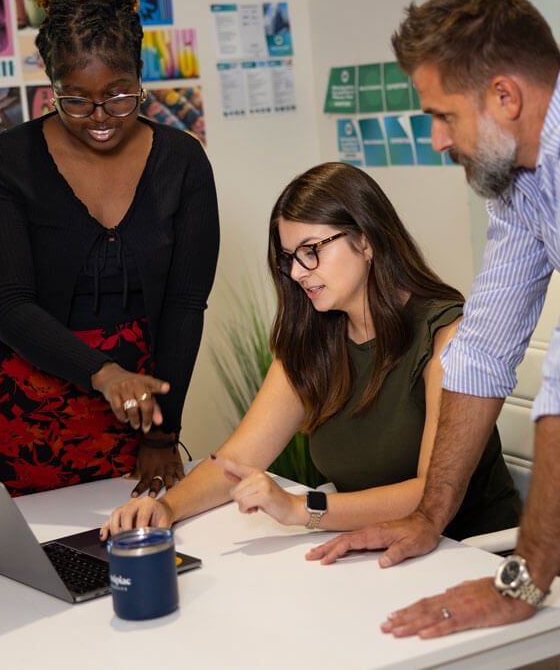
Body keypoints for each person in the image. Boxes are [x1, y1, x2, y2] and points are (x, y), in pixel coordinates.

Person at [307, 0, 560, 638]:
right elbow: (481, 350)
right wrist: (429, 515)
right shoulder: (522, 182)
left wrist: (525, 580)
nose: (438, 140)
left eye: (444, 116)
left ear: (505, 96)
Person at [102, 161, 519, 541]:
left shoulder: (445, 336)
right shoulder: (313, 338)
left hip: (468, 554)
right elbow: (235, 460)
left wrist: (301, 508)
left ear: (367, 241)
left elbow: (431, 493)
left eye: (312, 250)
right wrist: (164, 509)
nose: (298, 272)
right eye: (289, 259)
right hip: (371, 551)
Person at [0, 0, 219, 497]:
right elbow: (6, 304)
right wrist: (104, 374)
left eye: (121, 94)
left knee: (128, 543)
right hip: (17, 402)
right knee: (22, 565)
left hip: (134, 408)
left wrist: (162, 430)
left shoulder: (181, 162)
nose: (100, 115)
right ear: (50, 81)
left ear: (140, 74)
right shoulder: (3, 162)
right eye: (74, 98)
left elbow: (185, 304)